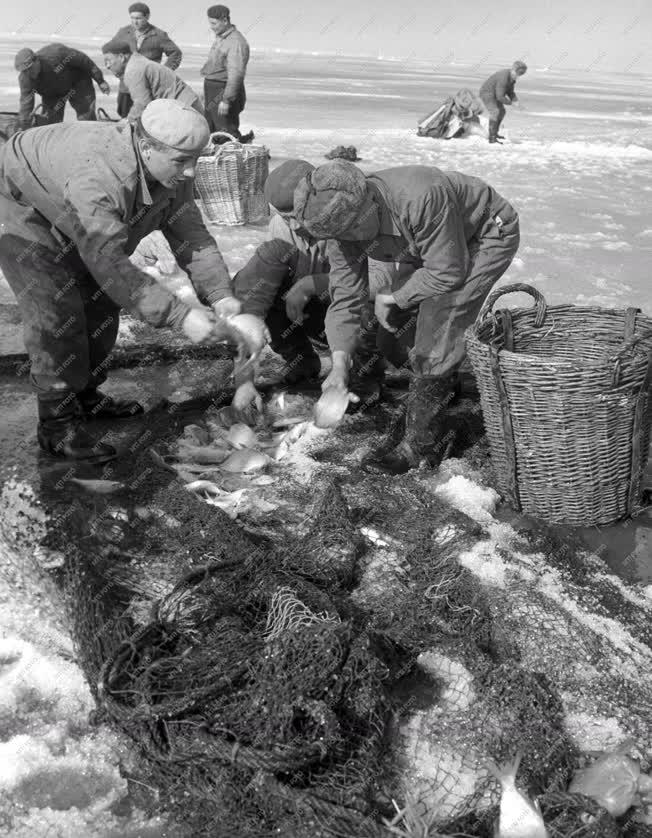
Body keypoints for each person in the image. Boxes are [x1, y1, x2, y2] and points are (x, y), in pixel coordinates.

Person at [0, 100, 254, 463]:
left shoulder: (173, 171)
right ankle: (57, 422)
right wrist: (182, 317)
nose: (190, 172)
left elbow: (193, 239)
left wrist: (220, 295)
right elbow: (109, 261)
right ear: (146, 146)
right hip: (25, 203)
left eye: (196, 160)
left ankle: (85, 394)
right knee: (56, 307)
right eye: (182, 161)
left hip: (77, 203)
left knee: (102, 300)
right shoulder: (102, 178)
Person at [293, 161, 520, 473]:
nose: (353, 241)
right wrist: (340, 364)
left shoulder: (421, 195)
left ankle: (421, 446)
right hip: (420, 246)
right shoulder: (341, 227)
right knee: (395, 332)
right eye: (343, 236)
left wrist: (394, 297)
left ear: (370, 203)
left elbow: (447, 271)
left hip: (484, 234)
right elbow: (346, 297)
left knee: (441, 323)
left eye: (355, 231)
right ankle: (443, 382)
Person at [231, 159, 384, 421]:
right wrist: (244, 380)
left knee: (368, 306)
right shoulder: (281, 233)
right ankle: (300, 358)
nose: (292, 226)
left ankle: (362, 374)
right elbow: (251, 302)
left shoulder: (349, 216)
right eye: (284, 217)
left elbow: (381, 282)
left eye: (295, 215)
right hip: (312, 312)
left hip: (356, 306)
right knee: (254, 286)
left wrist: (313, 283)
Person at [14, 44, 110, 130]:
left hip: (78, 83)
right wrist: (24, 124)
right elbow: (26, 103)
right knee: (50, 126)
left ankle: (90, 141)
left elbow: (84, 60)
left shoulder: (56, 53)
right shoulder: (25, 79)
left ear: (37, 60)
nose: (29, 73)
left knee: (86, 119)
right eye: (25, 71)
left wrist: (100, 80)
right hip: (52, 94)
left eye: (30, 68)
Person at [102, 40, 203, 120]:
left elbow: (142, 104)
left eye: (108, 60)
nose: (107, 66)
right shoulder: (137, 60)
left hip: (186, 111)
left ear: (121, 57)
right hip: (188, 105)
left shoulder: (133, 70)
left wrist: (127, 121)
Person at [112, 3, 182, 118]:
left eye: (138, 18)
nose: (135, 21)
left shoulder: (159, 35)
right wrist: (117, 71)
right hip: (126, 85)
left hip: (149, 86)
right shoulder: (123, 32)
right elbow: (112, 51)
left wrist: (164, 71)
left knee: (147, 118)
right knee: (124, 116)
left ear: (147, 17)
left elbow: (176, 53)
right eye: (132, 18)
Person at [201, 4, 250, 140]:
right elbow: (214, 66)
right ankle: (214, 160)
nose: (211, 27)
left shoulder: (236, 42)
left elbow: (236, 74)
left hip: (223, 90)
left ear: (225, 20)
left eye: (214, 23)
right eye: (210, 23)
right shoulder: (221, 37)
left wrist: (226, 100)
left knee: (226, 131)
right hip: (213, 89)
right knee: (210, 128)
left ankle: (239, 158)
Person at [479, 60, 528, 144]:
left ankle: (495, 133)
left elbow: (510, 92)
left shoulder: (511, 79)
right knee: (495, 111)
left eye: (520, 75)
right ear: (513, 70)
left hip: (495, 94)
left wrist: (516, 101)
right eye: (518, 74)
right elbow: (500, 97)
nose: (518, 76)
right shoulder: (504, 77)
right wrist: (511, 104)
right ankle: (492, 138)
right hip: (487, 93)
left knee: (502, 111)